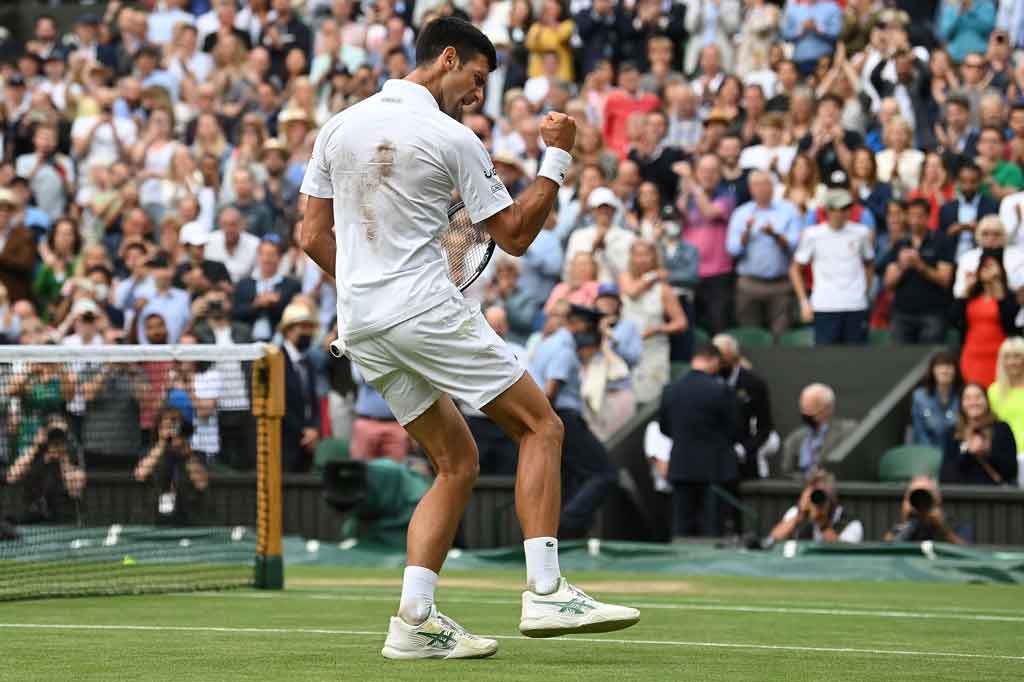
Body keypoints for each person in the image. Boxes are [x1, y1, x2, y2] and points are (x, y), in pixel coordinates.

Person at [298, 19, 638, 658]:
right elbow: (513, 235)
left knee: (457, 462)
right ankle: (545, 590)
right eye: (476, 79)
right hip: (422, 309)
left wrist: (372, 289)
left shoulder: (336, 125)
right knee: (543, 428)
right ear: (447, 58)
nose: (478, 94)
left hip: (364, 323)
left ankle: (415, 621)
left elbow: (313, 236)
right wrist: (557, 159)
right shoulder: (452, 136)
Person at [658, 344, 738, 538]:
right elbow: (735, 430)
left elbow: (664, 428)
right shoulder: (721, 391)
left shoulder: (671, 390)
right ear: (714, 361)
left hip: (681, 467)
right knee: (711, 528)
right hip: (714, 469)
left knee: (681, 528)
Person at [790, 188, 875, 345]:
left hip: (855, 305)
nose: (844, 213)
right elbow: (795, 268)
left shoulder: (861, 232)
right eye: (839, 209)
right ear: (828, 210)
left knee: (856, 360)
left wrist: (865, 290)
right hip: (825, 306)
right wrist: (804, 302)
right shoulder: (812, 234)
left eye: (847, 208)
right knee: (825, 360)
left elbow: (869, 262)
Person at [726, 170, 802, 337]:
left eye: (765, 184)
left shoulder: (788, 210)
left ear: (773, 187)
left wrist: (774, 234)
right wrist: (746, 232)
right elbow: (732, 250)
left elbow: (795, 246)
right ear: (750, 189)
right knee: (749, 335)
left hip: (780, 284)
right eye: (756, 185)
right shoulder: (741, 213)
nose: (761, 189)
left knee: (782, 336)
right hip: (749, 284)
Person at [619, 240, 688, 404]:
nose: (641, 259)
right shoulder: (625, 277)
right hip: (627, 348)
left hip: (654, 349)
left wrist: (657, 329)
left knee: (651, 399)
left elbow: (681, 322)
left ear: (653, 257)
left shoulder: (663, 289)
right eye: (637, 255)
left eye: (646, 255)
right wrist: (653, 275)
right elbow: (632, 292)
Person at [880, 198, 955, 344]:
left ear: (928, 217)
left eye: (919, 216)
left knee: (929, 358)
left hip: (932, 313)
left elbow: (945, 280)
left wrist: (921, 266)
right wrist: (902, 266)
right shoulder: (900, 243)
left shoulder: (941, 241)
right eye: (911, 215)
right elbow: (888, 283)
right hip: (902, 313)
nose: (915, 220)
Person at [713, 334, 778, 481]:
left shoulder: (754, 383)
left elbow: (765, 428)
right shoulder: (707, 381)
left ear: (735, 358)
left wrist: (741, 450)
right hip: (711, 460)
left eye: (723, 359)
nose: (719, 363)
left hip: (743, 462)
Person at [134, 402, 210, 526]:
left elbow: (202, 484)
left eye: (174, 426)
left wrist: (187, 454)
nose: (170, 431)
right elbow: (140, 474)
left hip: (188, 518)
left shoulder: (195, 455)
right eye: (165, 426)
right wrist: (162, 443)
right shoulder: (151, 453)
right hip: (153, 518)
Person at [952, 251, 1020, 386]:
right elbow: (953, 318)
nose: (987, 269)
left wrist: (996, 283)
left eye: (991, 265)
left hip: (1000, 356)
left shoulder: (1009, 296)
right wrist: (967, 289)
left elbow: (1010, 322)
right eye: (984, 266)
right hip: (972, 354)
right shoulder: (971, 296)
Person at [5, 415, 86, 524]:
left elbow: (74, 492)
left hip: (63, 520)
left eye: (61, 434)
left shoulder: (72, 454)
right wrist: (35, 447)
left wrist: (63, 458)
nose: (56, 438)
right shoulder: (36, 453)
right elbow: (11, 477)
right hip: (33, 518)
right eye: (53, 433)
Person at [940, 383, 1018, 485]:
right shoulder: (953, 432)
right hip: (962, 494)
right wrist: (966, 451)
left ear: (987, 401)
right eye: (967, 398)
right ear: (961, 404)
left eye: (978, 397)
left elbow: (1011, 471)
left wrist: (987, 452)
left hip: (995, 494)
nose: (973, 402)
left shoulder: (1002, 428)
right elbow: (945, 475)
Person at [780, 383, 858, 478]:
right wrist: (806, 479)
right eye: (805, 407)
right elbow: (787, 471)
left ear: (829, 408)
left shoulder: (848, 432)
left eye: (814, 407)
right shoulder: (795, 438)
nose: (808, 414)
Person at [232, 235, 301, 341]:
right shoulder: (244, 284)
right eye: (263, 254)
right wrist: (256, 304)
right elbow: (235, 313)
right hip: (246, 340)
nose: (267, 259)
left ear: (280, 257)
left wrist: (275, 303)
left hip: (279, 340)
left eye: (272, 254)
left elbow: (294, 317)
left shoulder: (291, 286)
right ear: (258, 256)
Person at [768, 468, 864, 544]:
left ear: (833, 497)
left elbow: (843, 555)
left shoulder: (851, 523)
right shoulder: (797, 513)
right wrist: (800, 515)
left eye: (822, 495)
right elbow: (773, 540)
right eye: (814, 494)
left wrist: (822, 524)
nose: (818, 500)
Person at [562, 187, 636, 284]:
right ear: (592, 211)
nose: (604, 212)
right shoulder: (578, 236)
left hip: (615, 292)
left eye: (608, 208)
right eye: (599, 208)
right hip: (584, 293)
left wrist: (605, 253)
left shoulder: (629, 238)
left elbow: (629, 274)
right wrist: (593, 249)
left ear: (614, 210)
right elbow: (567, 272)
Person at [939, 162, 1000, 259]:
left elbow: (996, 235)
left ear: (980, 181)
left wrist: (979, 229)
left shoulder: (991, 206)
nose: (968, 186)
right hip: (951, 261)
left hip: (982, 260)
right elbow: (940, 238)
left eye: (973, 181)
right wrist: (951, 231)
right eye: (964, 181)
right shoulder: (947, 208)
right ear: (958, 182)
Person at [884, 476, 965, 544]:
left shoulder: (956, 526)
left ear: (938, 499)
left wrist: (944, 530)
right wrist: (906, 522)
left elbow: (966, 551)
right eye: (915, 498)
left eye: (925, 497)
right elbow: (889, 550)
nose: (920, 503)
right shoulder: (901, 529)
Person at [911, 350, 964, 448]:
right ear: (932, 370)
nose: (944, 371)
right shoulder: (919, 397)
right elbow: (919, 432)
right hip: (928, 453)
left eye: (949, 366)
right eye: (939, 366)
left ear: (956, 370)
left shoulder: (964, 396)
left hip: (956, 453)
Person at [987, 337, 1024, 461]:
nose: (1012, 362)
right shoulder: (993, 391)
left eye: (1017, 356)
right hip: (1005, 456)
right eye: (1007, 357)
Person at [0, 189, 36, 303]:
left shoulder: (24, 234)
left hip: (14, 294)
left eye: (8, 209)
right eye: (0, 208)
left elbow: (25, 263)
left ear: (13, 213)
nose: (4, 213)